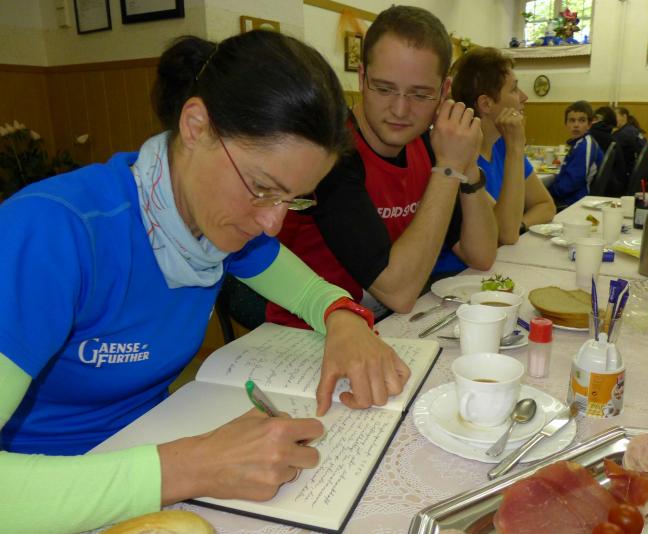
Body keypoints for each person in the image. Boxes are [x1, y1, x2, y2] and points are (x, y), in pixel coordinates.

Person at [0, 31, 412, 533]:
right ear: (196, 126)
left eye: (294, 199)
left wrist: (344, 319)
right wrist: (197, 466)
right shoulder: (49, 233)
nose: (272, 224)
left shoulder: (216, 225)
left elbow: (310, 293)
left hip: (151, 457)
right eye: (263, 188)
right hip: (50, 495)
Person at [266, 5, 497, 326]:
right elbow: (399, 292)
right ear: (362, 78)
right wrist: (447, 170)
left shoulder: (427, 144)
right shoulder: (331, 154)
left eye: (420, 94)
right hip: (308, 332)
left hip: (384, 323)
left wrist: (466, 166)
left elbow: (481, 255)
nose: (400, 110)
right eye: (385, 88)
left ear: (444, 92)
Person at [445, 46, 555, 246]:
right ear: (486, 104)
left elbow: (545, 205)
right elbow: (505, 233)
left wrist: (521, 225)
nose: (524, 97)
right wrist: (516, 148)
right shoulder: (461, 156)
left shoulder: (501, 145)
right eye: (514, 89)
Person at [547, 100, 604, 208]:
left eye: (581, 120)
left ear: (589, 124)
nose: (576, 125)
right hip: (569, 198)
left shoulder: (585, 146)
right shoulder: (579, 143)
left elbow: (571, 183)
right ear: (566, 124)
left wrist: (548, 191)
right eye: (572, 120)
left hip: (574, 202)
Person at [613, 106, 648, 180]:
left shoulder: (623, 134)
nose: (613, 120)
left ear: (624, 116)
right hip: (637, 173)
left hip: (627, 174)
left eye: (615, 116)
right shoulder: (633, 130)